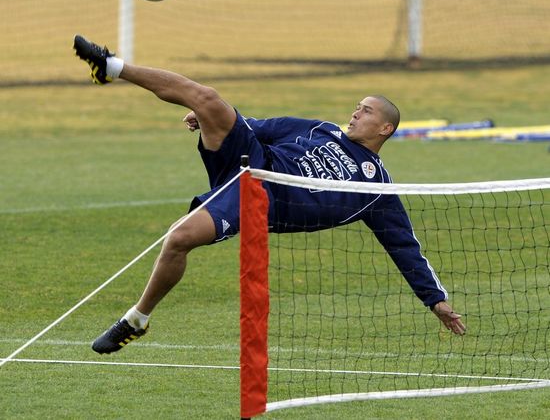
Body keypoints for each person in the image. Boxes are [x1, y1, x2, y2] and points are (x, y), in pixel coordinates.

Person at [73, 35, 466, 354]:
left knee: (179, 239)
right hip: (252, 158)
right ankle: (111, 67)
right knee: (207, 98)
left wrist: (435, 300)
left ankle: (137, 320)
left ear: (385, 129)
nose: (354, 113)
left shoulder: (375, 187)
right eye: (356, 107)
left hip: (256, 201)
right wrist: (214, 117)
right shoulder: (322, 129)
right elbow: (263, 126)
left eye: (365, 111)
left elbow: (404, 247)